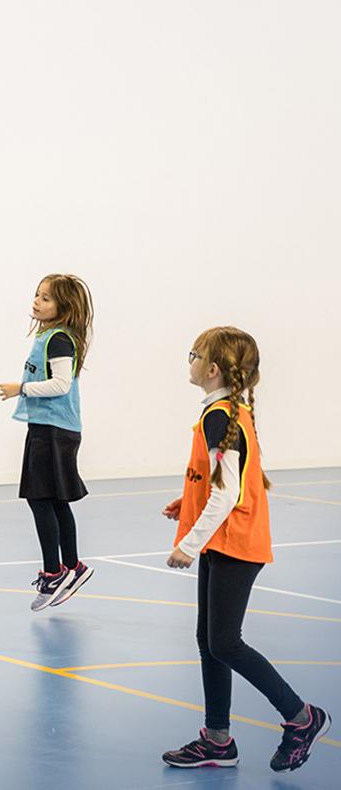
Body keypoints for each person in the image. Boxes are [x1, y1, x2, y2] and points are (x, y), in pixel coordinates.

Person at [161, 326, 330, 773]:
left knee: (226, 643)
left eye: (193, 353)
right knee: (209, 640)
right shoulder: (227, 410)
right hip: (224, 539)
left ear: (212, 369)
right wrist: (188, 502)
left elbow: (228, 491)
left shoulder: (221, 415)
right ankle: (217, 740)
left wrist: (188, 543)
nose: (190, 359)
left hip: (234, 543)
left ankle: (301, 717)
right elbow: (225, 480)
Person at [0, 274, 95, 611]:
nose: (37, 302)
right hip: (48, 428)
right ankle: (72, 567)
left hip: (54, 431)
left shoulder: (59, 340)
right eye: (37, 295)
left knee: (41, 499)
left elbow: (61, 384)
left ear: (63, 307)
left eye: (46, 298)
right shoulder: (50, 336)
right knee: (52, 501)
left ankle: (55, 572)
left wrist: (19, 389)